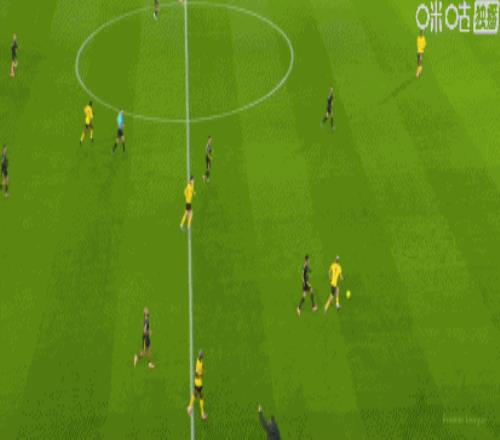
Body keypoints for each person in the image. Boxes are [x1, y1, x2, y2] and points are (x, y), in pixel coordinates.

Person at [187, 351, 208, 420]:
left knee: (195, 394)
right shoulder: (200, 364)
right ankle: (202, 413)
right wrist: (202, 373)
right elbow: (198, 374)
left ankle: (190, 407)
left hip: (196, 381)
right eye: (202, 356)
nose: (203, 356)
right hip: (199, 383)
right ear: (201, 357)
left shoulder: (198, 360)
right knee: (201, 396)